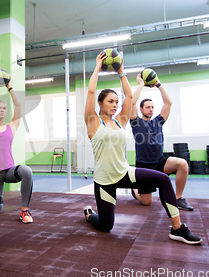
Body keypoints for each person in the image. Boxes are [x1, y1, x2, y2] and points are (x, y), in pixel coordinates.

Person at [82, 51, 201, 245]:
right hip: (104, 181)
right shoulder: (93, 123)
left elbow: (130, 96)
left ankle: (178, 229)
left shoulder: (121, 121)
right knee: (106, 226)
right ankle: (89, 214)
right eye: (110, 102)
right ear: (100, 104)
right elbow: (90, 92)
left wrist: (121, 72)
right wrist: (97, 68)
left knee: (163, 179)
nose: (115, 105)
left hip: (123, 172)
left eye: (116, 102)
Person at [130, 74, 193, 211]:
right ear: (141, 109)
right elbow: (132, 102)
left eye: (152, 107)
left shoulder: (158, 121)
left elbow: (168, 103)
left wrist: (158, 84)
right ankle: (135, 192)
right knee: (147, 202)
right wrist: (141, 84)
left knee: (182, 163)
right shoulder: (136, 122)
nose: (151, 109)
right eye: (148, 107)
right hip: (143, 166)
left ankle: (178, 199)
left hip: (159, 162)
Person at [0, 73, 34, 223]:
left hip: (9, 170)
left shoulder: (12, 126)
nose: (2, 110)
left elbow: (18, 105)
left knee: (26, 171)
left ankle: (24, 211)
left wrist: (9, 87)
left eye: (4, 108)